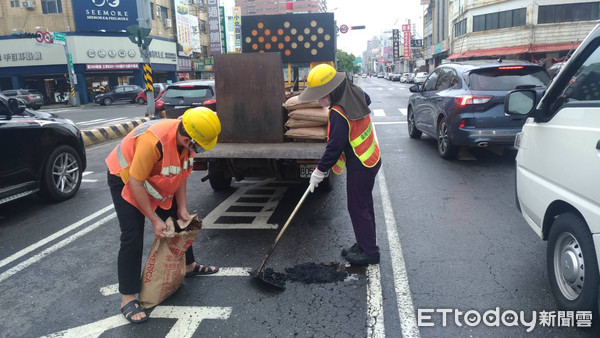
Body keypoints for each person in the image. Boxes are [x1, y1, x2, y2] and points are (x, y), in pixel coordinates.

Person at [105, 107, 221, 323]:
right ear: (188, 140)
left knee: (178, 223)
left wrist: (182, 207)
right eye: (201, 147)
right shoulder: (153, 142)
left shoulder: (186, 142)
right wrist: (154, 219)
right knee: (132, 236)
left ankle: (189, 266)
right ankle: (128, 297)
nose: (201, 151)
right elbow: (136, 183)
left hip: (154, 180)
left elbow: (181, 174)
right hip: (125, 179)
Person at [297, 64, 382, 266]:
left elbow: (334, 148)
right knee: (365, 205)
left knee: (357, 207)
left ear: (332, 90)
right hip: (371, 158)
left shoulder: (338, 112)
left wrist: (318, 172)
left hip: (360, 163)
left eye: (321, 95)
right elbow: (367, 101)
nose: (319, 100)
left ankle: (370, 252)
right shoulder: (355, 91)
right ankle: (365, 243)